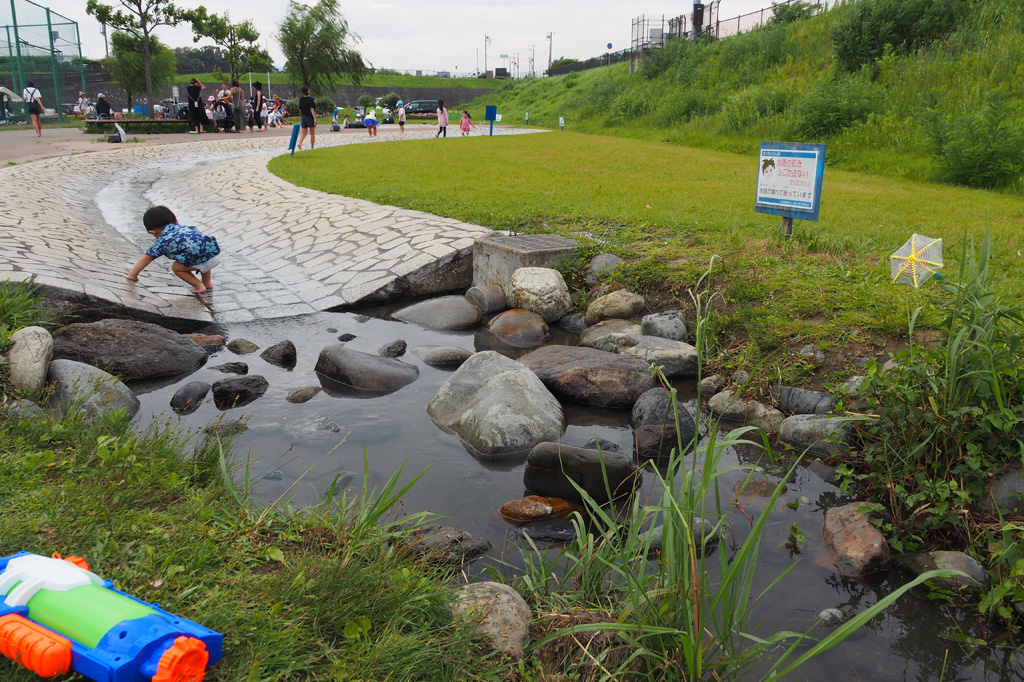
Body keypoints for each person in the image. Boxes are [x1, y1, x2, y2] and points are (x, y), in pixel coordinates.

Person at [124, 206, 221, 294]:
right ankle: (207, 283)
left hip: (200, 260)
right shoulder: (185, 228)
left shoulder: (162, 240)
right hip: (214, 255)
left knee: (176, 267)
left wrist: (133, 275)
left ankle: (199, 286)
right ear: (176, 220)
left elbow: (146, 258)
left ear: (153, 232)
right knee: (202, 252)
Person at [296, 85, 316, 151]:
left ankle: (299, 143)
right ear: (308, 90)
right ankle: (312, 148)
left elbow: (299, 109)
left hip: (303, 117)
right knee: (312, 134)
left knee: (304, 133)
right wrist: (315, 118)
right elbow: (312, 109)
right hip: (310, 117)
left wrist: (302, 115)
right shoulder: (311, 99)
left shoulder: (301, 99)